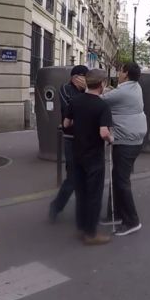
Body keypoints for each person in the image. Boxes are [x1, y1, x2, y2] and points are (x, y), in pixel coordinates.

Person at [64, 69, 113, 245]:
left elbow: (66, 123)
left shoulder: (75, 101)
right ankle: (91, 233)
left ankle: (81, 227)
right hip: (94, 156)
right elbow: (104, 132)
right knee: (94, 194)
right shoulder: (102, 106)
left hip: (77, 153)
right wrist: (111, 139)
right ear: (102, 84)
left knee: (81, 192)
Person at [101, 62, 148, 236]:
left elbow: (99, 100)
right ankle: (116, 214)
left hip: (126, 142)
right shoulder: (136, 87)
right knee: (118, 178)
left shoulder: (123, 92)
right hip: (133, 140)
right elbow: (114, 96)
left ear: (126, 73)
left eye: (120, 71)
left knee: (121, 181)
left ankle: (132, 221)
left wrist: (90, 88)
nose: (118, 73)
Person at [49, 65, 88, 222]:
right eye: (83, 76)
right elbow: (70, 110)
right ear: (75, 77)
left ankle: (84, 214)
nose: (86, 79)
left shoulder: (87, 91)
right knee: (72, 177)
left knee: (86, 176)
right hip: (71, 139)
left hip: (88, 139)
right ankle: (56, 206)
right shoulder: (65, 89)